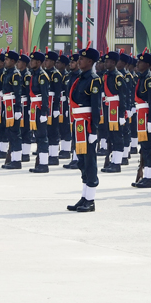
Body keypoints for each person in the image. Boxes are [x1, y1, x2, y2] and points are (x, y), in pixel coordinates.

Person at [67, 47, 103, 213]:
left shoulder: (94, 80)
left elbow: (96, 107)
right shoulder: (79, 78)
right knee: (81, 161)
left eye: (82, 59)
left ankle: (90, 199)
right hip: (78, 124)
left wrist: (94, 131)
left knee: (89, 161)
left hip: (87, 125)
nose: (78, 61)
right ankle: (84, 196)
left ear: (90, 61)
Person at [132, 51, 151, 188]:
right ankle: (145, 176)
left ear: (148, 64)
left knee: (150, 147)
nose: (137, 63)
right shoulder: (142, 78)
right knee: (144, 146)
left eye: (141, 62)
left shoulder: (150, 80)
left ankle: (150, 178)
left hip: (147, 116)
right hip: (141, 115)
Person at [27, 51, 51, 173]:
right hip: (34, 107)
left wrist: (43, 113)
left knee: (42, 136)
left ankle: (44, 164)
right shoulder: (34, 75)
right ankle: (40, 162)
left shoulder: (42, 76)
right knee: (37, 136)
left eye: (33, 61)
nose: (30, 62)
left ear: (39, 62)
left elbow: (45, 95)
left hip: (40, 108)